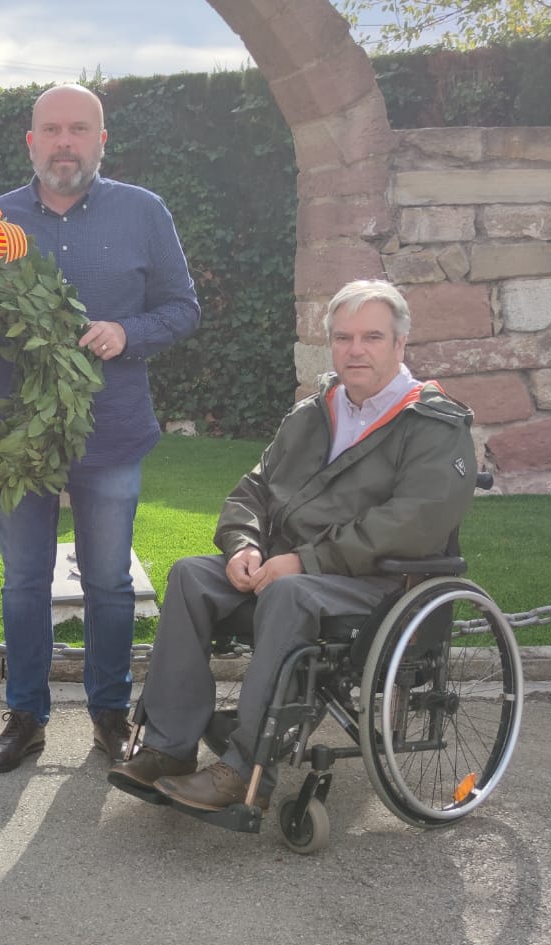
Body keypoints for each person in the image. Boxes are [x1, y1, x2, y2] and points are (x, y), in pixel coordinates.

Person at [108, 279, 477, 814]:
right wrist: (242, 544)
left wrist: (305, 561)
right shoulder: (314, 412)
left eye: (372, 336)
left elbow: (413, 523)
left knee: (291, 594)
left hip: (378, 584)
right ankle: (167, 747)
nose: (356, 349)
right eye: (344, 337)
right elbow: (254, 487)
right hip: (292, 570)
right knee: (192, 575)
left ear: (400, 344)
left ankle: (243, 770)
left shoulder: (433, 424)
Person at [0, 84, 201, 773]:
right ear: (31, 142)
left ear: (101, 141)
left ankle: (108, 712)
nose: (65, 142)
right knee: (23, 580)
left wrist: (128, 331)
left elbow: (183, 308)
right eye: (52, 130)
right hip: (18, 437)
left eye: (79, 130)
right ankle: (25, 716)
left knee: (108, 581)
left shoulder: (144, 212)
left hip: (111, 429)